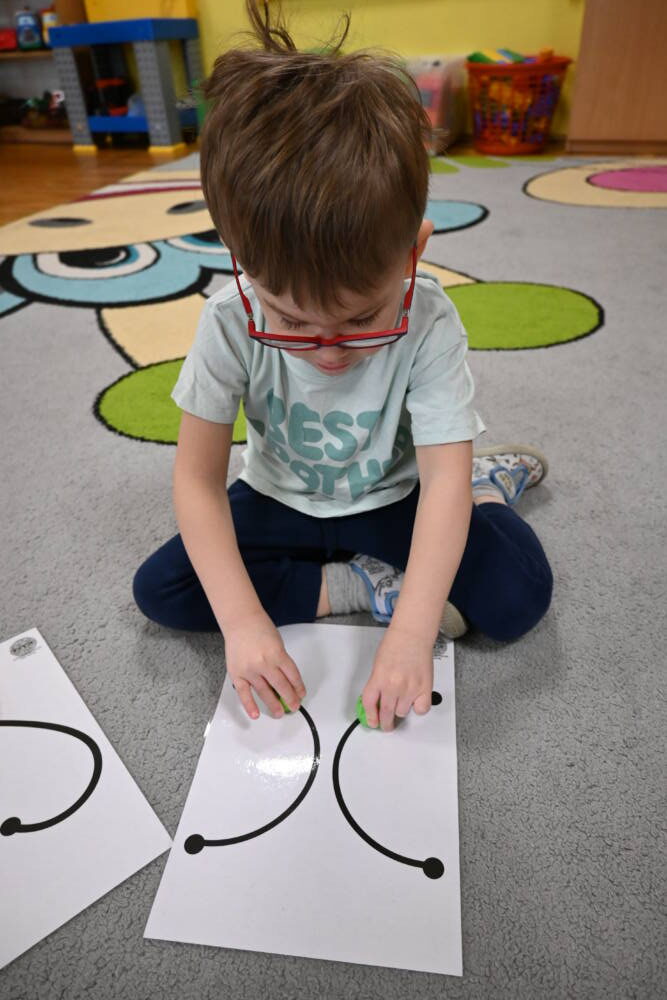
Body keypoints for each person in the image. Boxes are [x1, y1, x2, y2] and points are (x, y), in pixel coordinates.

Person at [133, 0, 553, 732]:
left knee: (518, 597)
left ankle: (491, 490)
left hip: (398, 493)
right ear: (241, 263)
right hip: (279, 497)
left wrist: (412, 634)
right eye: (292, 322)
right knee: (164, 590)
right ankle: (359, 585)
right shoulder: (228, 320)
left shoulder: (429, 318)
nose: (327, 351)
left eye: (360, 320)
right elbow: (197, 483)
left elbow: (440, 483)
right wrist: (244, 625)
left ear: (414, 250)